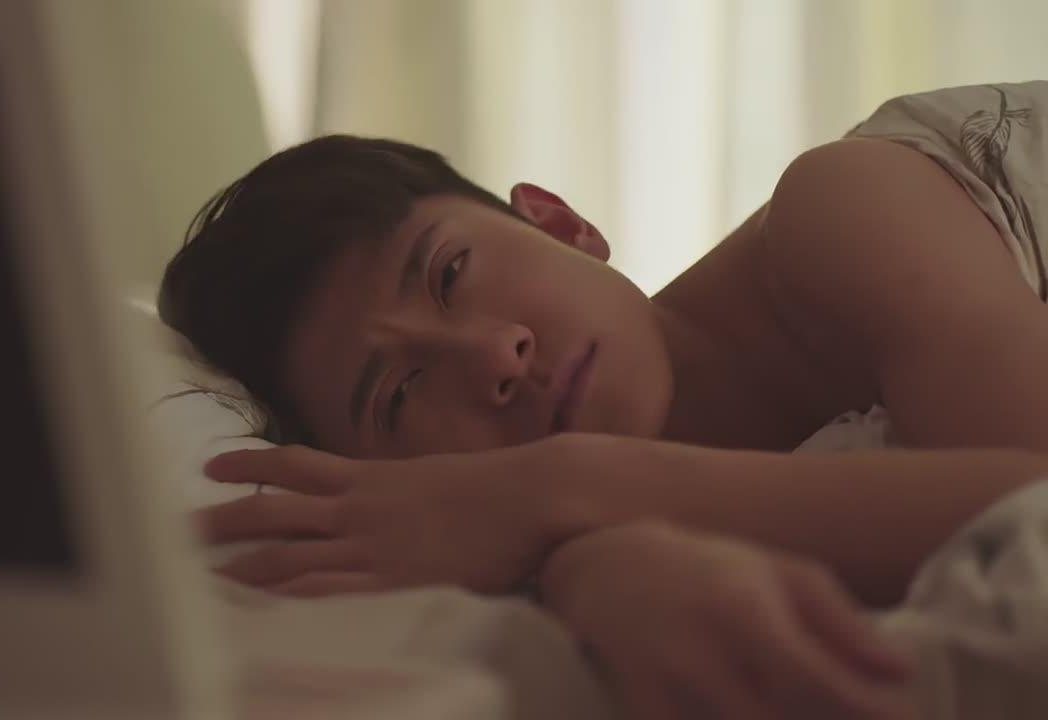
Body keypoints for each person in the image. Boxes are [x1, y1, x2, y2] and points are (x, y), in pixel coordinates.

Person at [162, 82, 1048, 718]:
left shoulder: (844, 207)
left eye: (451, 273)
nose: (493, 355)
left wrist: (563, 488)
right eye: (399, 395)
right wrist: (591, 563)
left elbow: (1030, 503)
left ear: (561, 224)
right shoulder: (544, 550)